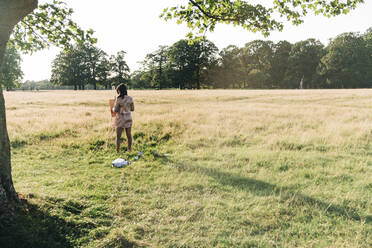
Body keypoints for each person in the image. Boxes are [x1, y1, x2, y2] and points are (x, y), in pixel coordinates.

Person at [113, 83, 134, 152]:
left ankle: (117, 150)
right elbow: (132, 109)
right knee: (129, 135)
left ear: (119, 91)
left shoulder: (118, 99)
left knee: (118, 136)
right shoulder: (130, 98)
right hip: (128, 118)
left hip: (120, 118)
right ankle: (129, 150)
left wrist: (113, 107)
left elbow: (115, 110)